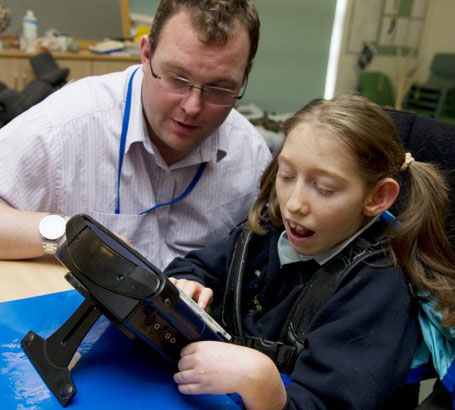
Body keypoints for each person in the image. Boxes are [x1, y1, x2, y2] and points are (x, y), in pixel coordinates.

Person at [164, 94, 455, 409]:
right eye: (286, 176)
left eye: (324, 188)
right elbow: (195, 268)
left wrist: (262, 383)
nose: (293, 203)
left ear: (377, 196)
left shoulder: (379, 287)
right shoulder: (268, 229)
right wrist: (186, 283)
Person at [0, 0, 271, 268]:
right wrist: (68, 234)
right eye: (177, 78)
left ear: (245, 75)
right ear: (146, 54)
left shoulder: (252, 157)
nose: (192, 107)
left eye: (220, 89)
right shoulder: (65, 125)